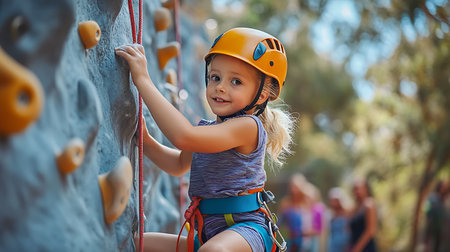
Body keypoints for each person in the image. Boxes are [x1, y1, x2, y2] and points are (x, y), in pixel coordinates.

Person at [115, 27, 294, 252]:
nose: (220, 87)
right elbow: (179, 164)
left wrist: (142, 80)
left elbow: (184, 137)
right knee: (138, 243)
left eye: (236, 82)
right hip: (209, 233)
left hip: (247, 231)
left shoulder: (248, 127)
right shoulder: (209, 131)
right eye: (215, 77)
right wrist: (147, 142)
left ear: (262, 94)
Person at [348, 179, 377, 252]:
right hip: (355, 245)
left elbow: (370, 231)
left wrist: (357, 249)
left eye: (358, 188)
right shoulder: (355, 208)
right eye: (354, 189)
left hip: (366, 247)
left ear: (365, 189)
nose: (356, 191)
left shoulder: (369, 204)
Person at [326, 187, 350, 252]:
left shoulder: (347, 213)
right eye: (332, 201)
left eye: (336, 200)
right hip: (333, 244)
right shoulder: (330, 214)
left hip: (344, 244)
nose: (334, 203)